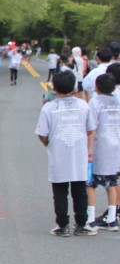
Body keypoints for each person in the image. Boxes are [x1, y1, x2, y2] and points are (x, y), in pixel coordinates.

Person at [36, 71, 96, 236]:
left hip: (58, 153)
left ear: (54, 88)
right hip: (79, 153)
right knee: (80, 190)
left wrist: (48, 144)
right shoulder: (83, 105)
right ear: (74, 87)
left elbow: (42, 133)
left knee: (60, 191)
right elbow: (91, 129)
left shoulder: (49, 108)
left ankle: (62, 226)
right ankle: (81, 224)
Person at [87, 73, 120, 231]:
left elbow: (92, 128)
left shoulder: (95, 102)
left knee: (90, 184)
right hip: (116, 146)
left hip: (100, 147)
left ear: (96, 87)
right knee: (112, 183)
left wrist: (88, 150)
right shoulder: (117, 101)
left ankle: (90, 219)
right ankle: (112, 220)